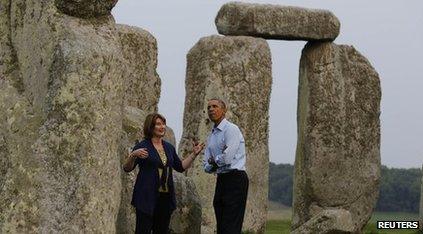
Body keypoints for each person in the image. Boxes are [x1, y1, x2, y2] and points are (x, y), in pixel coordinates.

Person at [123, 113, 204, 234]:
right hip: (146, 197)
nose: (162, 127)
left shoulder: (169, 147)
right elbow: (127, 168)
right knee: (142, 230)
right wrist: (133, 155)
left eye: (163, 124)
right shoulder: (142, 146)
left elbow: (180, 167)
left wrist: (194, 154)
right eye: (158, 124)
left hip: (165, 198)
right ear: (150, 127)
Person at [203, 98, 249, 234]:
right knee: (221, 223)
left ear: (224, 110)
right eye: (209, 107)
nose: (211, 109)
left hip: (236, 178)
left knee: (231, 223)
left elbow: (228, 158)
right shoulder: (212, 135)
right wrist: (216, 161)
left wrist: (214, 161)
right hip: (222, 178)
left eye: (215, 106)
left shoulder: (231, 129)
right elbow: (206, 166)